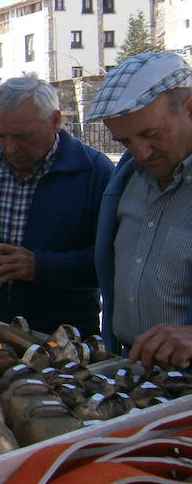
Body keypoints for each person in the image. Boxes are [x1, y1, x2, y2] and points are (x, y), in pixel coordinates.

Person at [0, 76, 113, 336]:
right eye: (1, 136)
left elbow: (112, 264)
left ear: (56, 121)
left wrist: (41, 266)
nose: (11, 148)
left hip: (62, 336)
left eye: (23, 136)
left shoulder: (94, 172)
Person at [86, 51, 192, 369]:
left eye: (151, 134)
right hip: (133, 373)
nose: (141, 153)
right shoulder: (126, 179)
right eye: (126, 142)